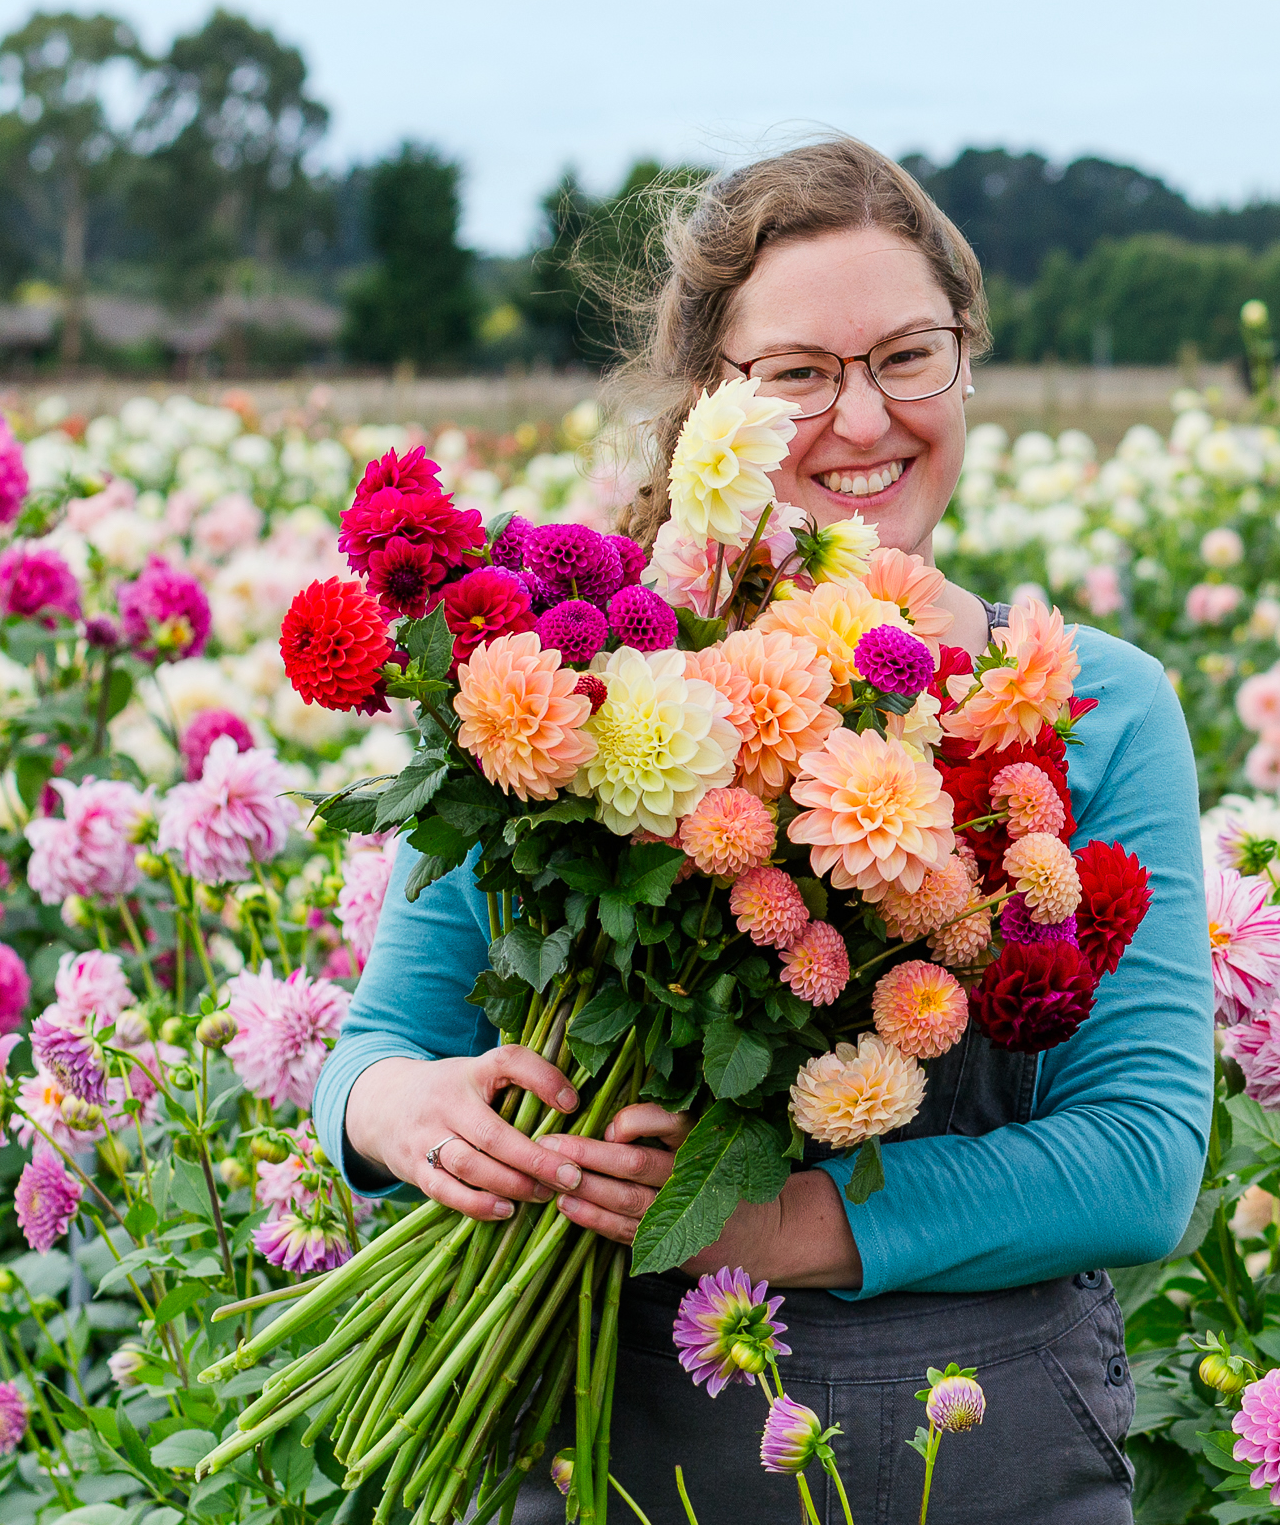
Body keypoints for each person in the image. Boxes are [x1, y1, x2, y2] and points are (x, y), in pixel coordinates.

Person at [312, 138, 1214, 1522]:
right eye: (798, 374)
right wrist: (393, 1111)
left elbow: (1141, 1163)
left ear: (966, 363)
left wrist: (777, 1225)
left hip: (988, 1466)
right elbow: (381, 1045)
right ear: (709, 405)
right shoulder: (580, 691)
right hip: (617, 1456)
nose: (862, 422)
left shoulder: (1098, 707)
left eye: (909, 356)